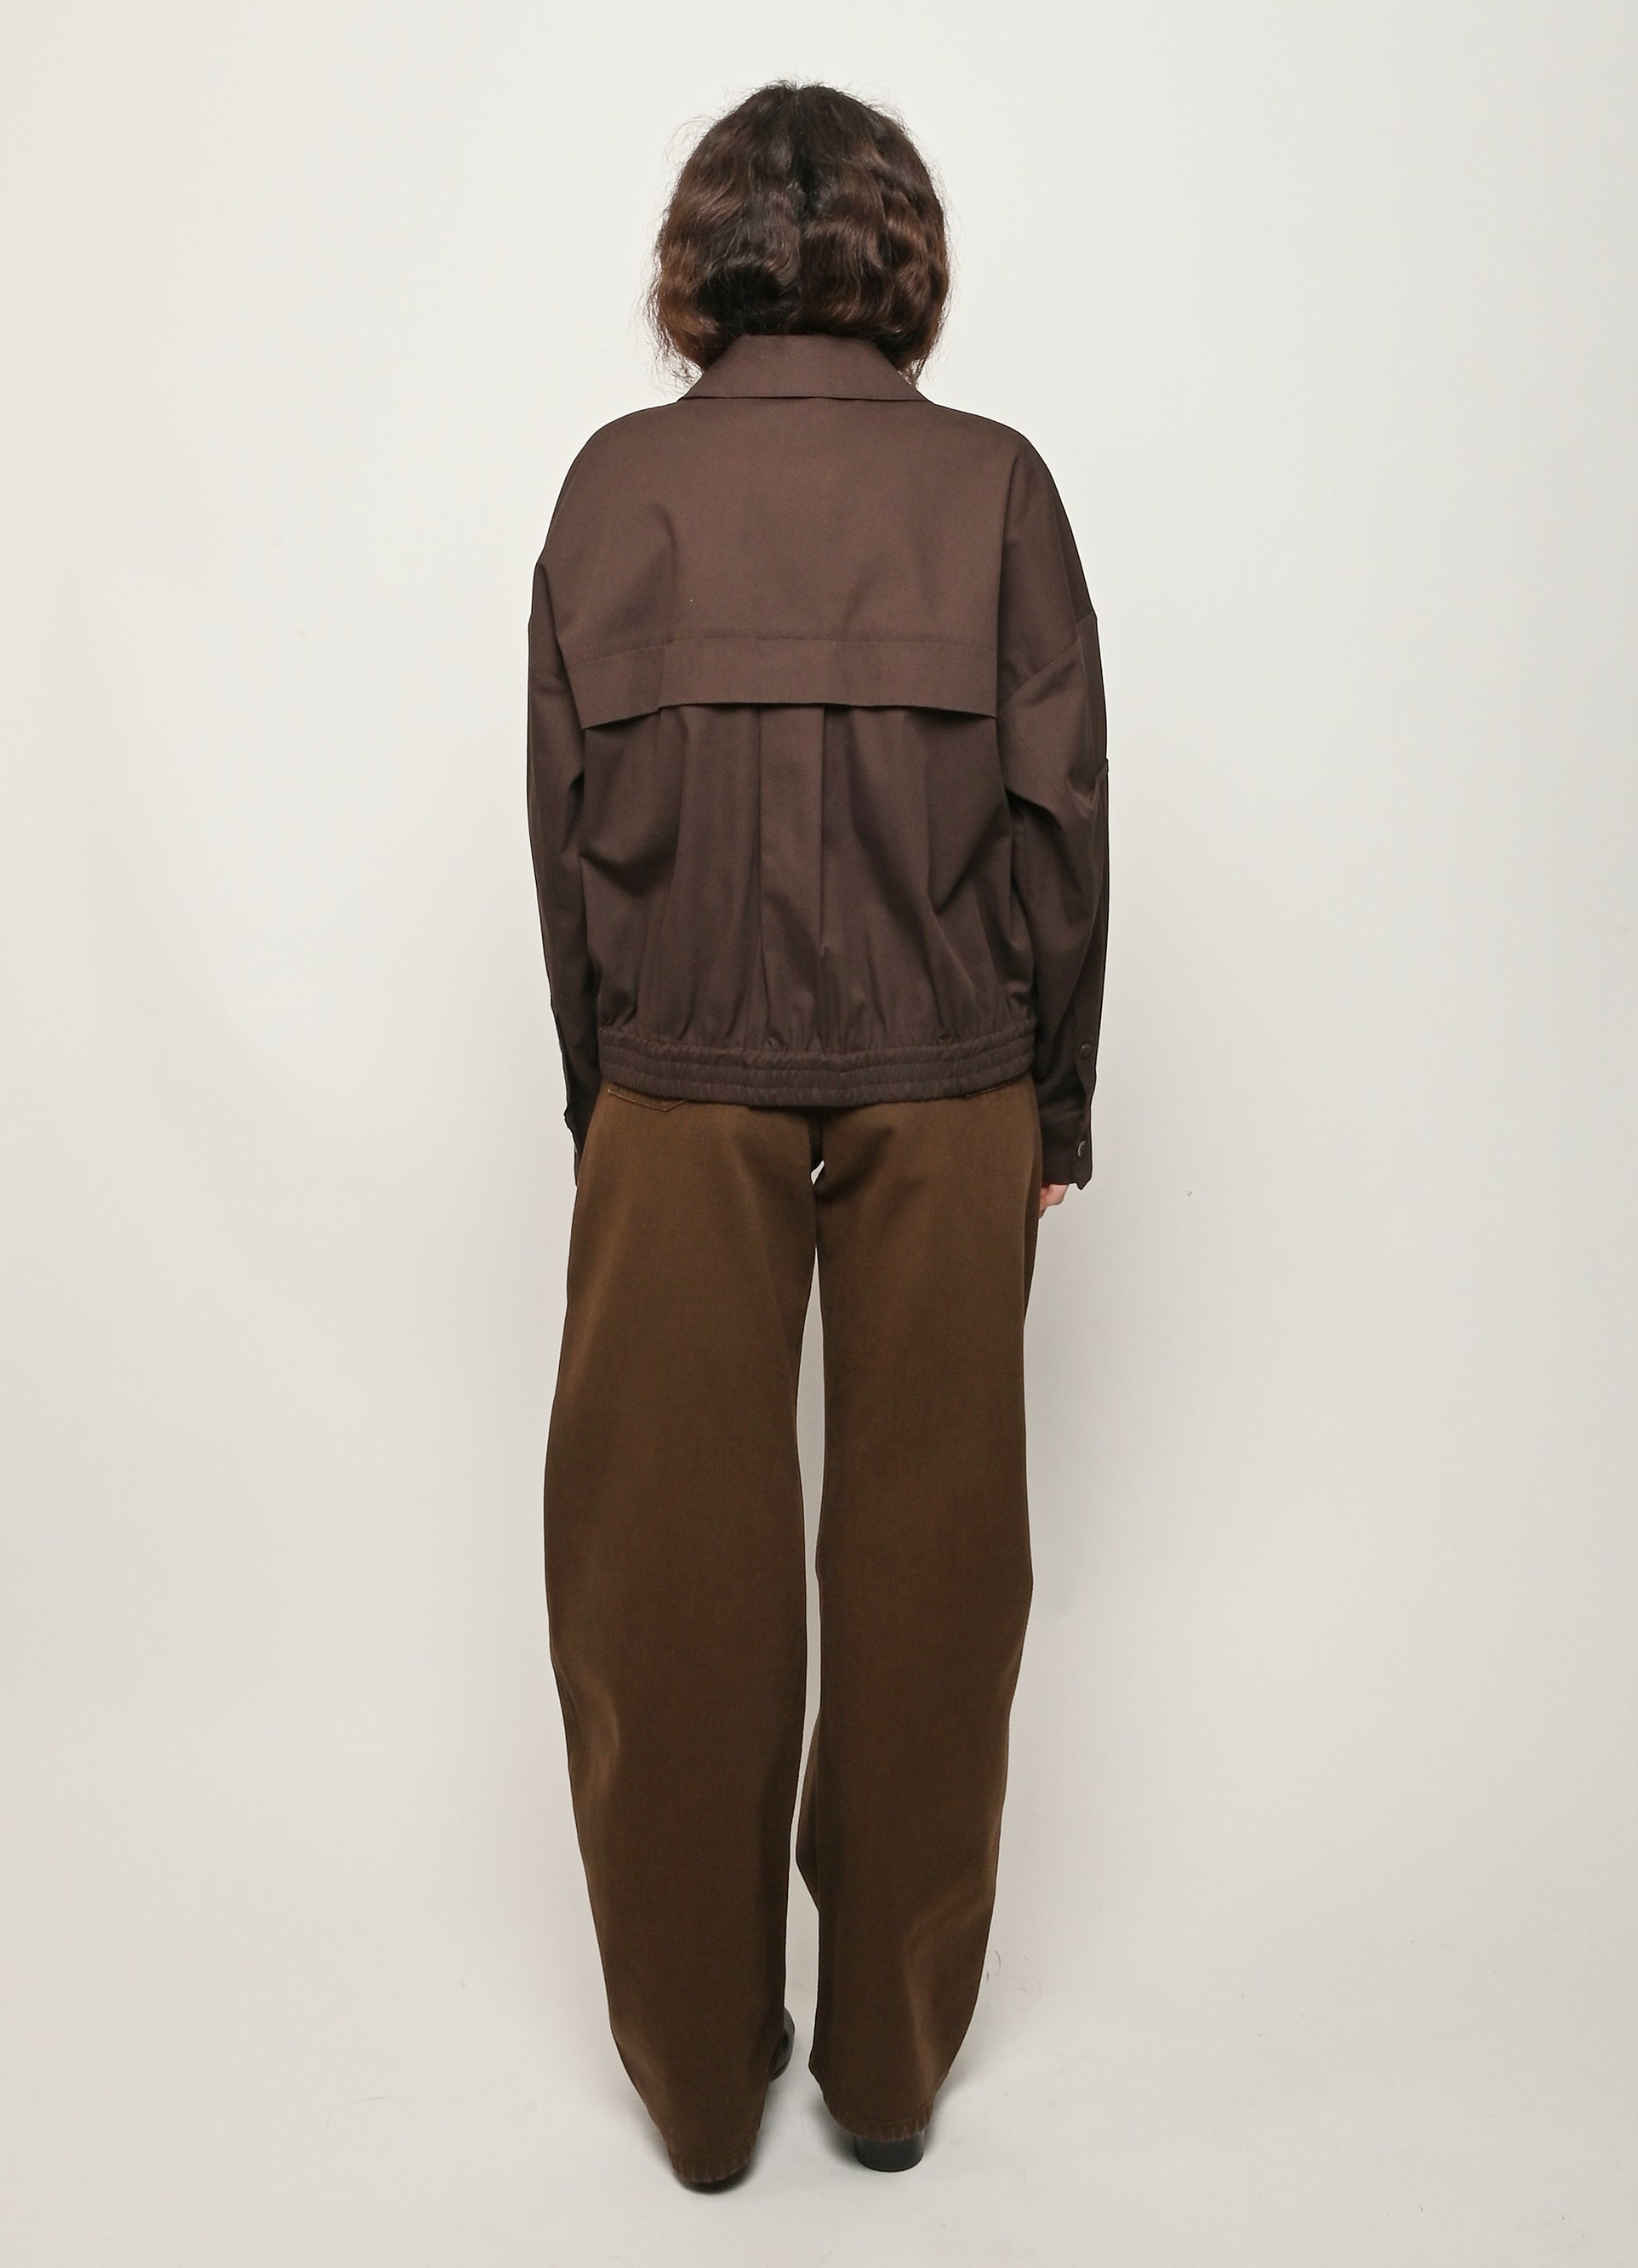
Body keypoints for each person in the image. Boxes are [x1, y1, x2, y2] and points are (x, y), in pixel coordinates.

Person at [524, 79, 1109, 2190]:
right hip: (951, 1077)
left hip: (674, 1079)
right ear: (900, 257)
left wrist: (602, 1090)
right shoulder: (993, 488)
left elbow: (563, 825)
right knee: (936, 1566)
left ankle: (698, 2087)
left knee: (659, 1575)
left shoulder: (617, 488)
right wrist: (1053, 1095)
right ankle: (886, 2068)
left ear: (702, 258)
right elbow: (1062, 817)